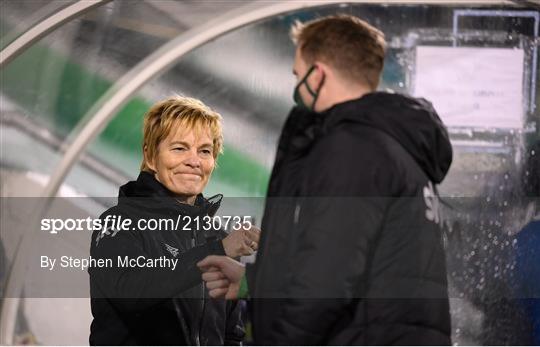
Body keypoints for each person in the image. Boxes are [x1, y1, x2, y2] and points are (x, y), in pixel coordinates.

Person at [198, 15, 453, 345]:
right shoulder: (399, 148)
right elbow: (362, 262)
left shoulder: (353, 147)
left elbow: (327, 279)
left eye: (297, 74)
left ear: (316, 75)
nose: (296, 87)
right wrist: (253, 283)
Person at [89, 96, 259, 345]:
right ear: (150, 156)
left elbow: (231, 334)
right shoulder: (118, 222)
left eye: (204, 151)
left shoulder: (219, 238)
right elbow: (131, 292)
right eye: (179, 148)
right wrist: (217, 251)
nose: (194, 161)